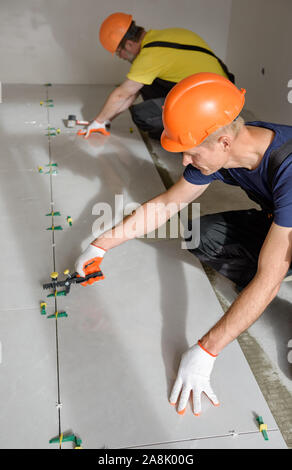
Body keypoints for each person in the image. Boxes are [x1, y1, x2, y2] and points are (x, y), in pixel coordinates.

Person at [75, 72, 292, 416]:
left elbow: (270, 276)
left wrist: (207, 349)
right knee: (201, 237)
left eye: (190, 153)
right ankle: (257, 293)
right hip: (282, 223)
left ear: (222, 142)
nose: (186, 162)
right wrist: (101, 245)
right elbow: (167, 204)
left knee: (270, 277)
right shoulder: (230, 143)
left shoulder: (288, 168)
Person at [80, 12, 233, 140]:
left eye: (119, 52)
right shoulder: (166, 35)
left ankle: (192, 137)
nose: (120, 57)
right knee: (145, 84)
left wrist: (98, 121)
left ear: (128, 45)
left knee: (142, 115)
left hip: (213, 106)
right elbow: (131, 94)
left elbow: (123, 94)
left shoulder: (150, 55)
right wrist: (104, 121)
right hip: (223, 93)